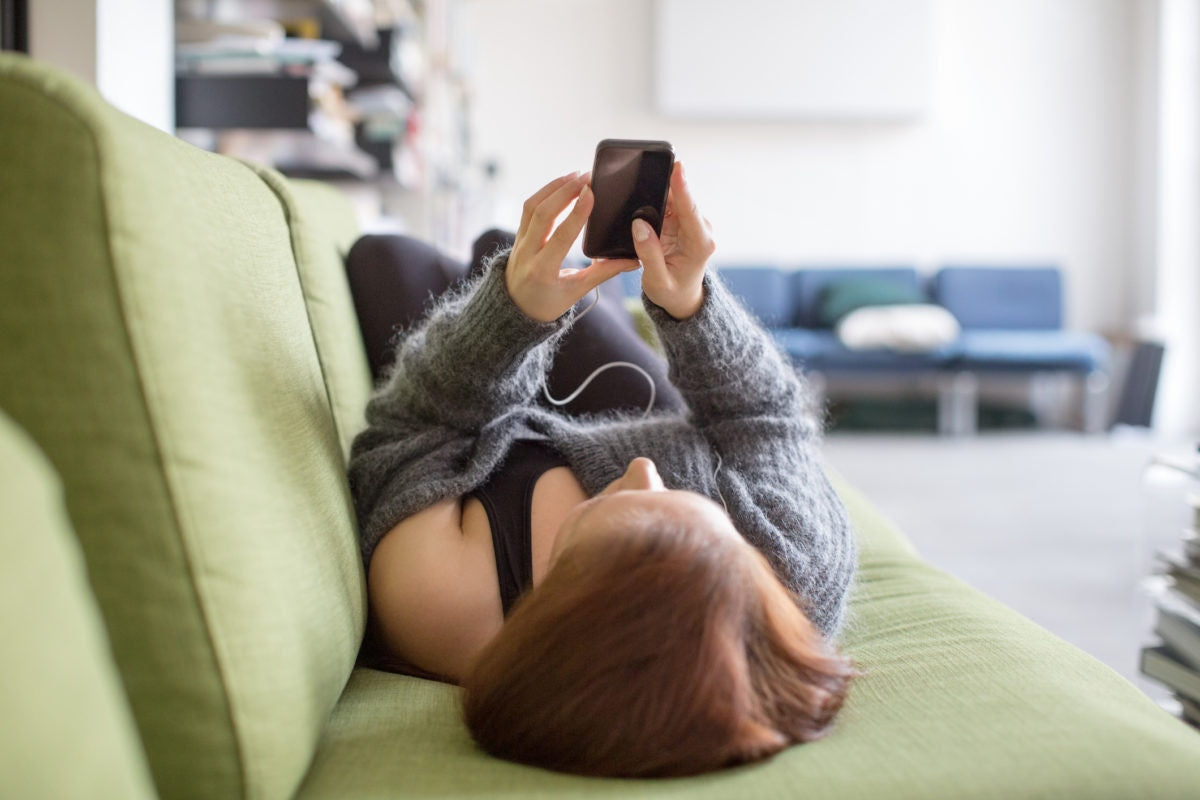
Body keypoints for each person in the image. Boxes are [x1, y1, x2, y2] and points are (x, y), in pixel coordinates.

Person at [347, 163, 857, 778]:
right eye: (686, 501)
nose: (644, 468)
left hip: (480, 433)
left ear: (565, 611)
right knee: (499, 247)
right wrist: (690, 303)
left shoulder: (438, 602)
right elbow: (762, 416)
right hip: (635, 402)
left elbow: (410, 431)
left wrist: (510, 316)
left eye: (618, 507)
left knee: (384, 259)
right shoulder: (795, 569)